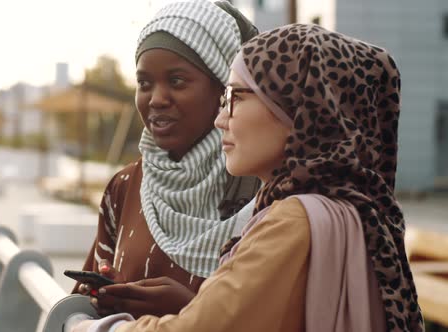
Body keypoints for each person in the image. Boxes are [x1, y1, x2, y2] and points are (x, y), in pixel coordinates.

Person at [71, 23, 424, 332]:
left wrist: (90, 327)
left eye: (234, 97)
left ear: (298, 109)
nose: (220, 119)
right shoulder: (358, 210)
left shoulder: (292, 220)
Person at [73, 0, 261, 318]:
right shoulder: (125, 187)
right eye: (144, 84)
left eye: (176, 81)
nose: (156, 99)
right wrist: (100, 295)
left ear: (223, 90)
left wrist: (192, 311)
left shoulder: (265, 190)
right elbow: (82, 304)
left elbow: (290, 315)